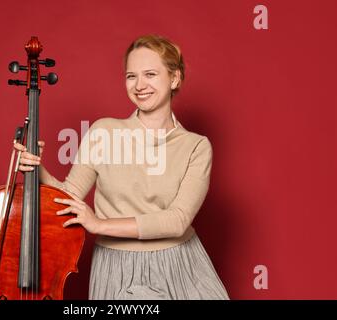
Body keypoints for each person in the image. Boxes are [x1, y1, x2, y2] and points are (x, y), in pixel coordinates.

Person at [14, 34, 230, 300]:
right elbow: (67, 200)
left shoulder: (196, 146)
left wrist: (99, 224)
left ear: (174, 79)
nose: (140, 85)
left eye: (150, 74)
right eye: (131, 76)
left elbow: (177, 221)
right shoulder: (104, 131)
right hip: (119, 267)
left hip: (183, 264)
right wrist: (36, 167)